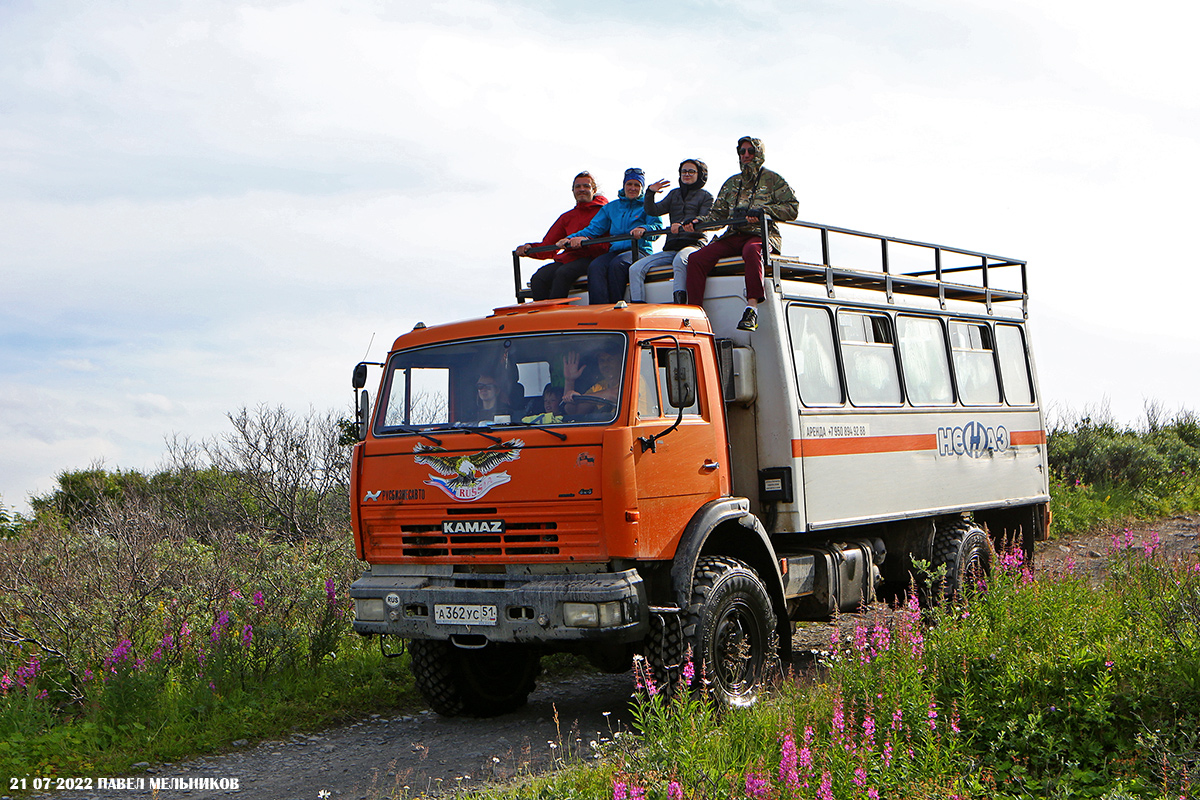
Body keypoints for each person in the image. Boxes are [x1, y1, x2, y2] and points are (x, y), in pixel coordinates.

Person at [685, 136, 798, 331]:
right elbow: (717, 215)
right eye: (742, 151)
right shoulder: (732, 183)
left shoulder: (772, 180)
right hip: (733, 236)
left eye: (750, 151)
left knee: (752, 252)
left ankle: (751, 308)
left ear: (758, 154)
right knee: (695, 259)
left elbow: (792, 208)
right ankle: (694, 313)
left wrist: (764, 212)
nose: (745, 155)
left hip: (761, 235)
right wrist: (698, 223)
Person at [557, 168, 662, 305]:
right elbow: (593, 229)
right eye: (629, 184)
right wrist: (570, 238)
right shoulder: (611, 207)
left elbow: (657, 227)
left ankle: (616, 306)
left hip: (639, 250)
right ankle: (598, 309)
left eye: (637, 185)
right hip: (616, 250)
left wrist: (644, 228)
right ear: (624, 186)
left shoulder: (647, 206)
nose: (632, 188)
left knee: (617, 265)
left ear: (641, 188)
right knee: (596, 266)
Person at [628, 159, 713, 304]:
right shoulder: (674, 194)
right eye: (684, 171)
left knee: (680, 260)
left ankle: (679, 304)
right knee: (636, 268)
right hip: (672, 245)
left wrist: (686, 223)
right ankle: (638, 306)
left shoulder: (706, 196)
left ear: (700, 175)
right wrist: (650, 192)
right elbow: (653, 210)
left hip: (694, 245)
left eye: (691, 171)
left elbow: (706, 218)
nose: (687, 174)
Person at [515, 172, 609, 300]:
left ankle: (556, 314)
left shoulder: (605, 211)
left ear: (594, 190)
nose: (582, 190)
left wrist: (585, 243)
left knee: (563, 273)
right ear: (573, 190)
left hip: (595, 258)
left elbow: (610, 241)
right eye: (578, 187)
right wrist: (528, 249)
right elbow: (549, 245)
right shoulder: (567, 217)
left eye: (586, 186)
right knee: (539, 278)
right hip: (570, 259)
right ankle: (543, 316)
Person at [561, 347, 622, 416]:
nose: (605, 364)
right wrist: (569, 381)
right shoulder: (599, 387)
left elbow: (614, 394)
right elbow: (574, 412)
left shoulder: (628, 383)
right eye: (602, 361)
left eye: (610, 360)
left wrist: (581, 397)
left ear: (620, 362)